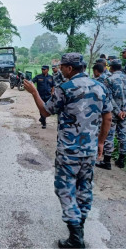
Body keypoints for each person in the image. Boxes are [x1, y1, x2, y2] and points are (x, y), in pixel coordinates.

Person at [24, 53, 112, 249]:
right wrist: (100, 143)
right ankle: (79, 228)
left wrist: (34, 92)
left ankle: (75, 236)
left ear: (70, 68)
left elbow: (46, 111)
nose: (60, 69)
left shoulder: (65, 88)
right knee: (85, 188)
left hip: (69, 150)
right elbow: (108, 117)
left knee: (64, 188)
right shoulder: (100, 87)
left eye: (62, 66)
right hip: (89, 151)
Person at [96, 59, 126, 170]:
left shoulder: (108, 80)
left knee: (109, 135)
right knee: (123, 135)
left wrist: (117, 111)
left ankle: (107, 161)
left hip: (113, 113)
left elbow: (108, 98)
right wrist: (124, 111)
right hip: (124, 113)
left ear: (111, 68)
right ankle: (121, 160)